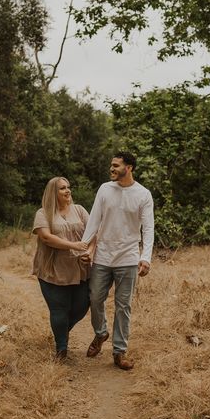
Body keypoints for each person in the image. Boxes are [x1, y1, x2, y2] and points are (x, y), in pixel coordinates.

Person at [80, 150, 154, 371]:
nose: (111, 169)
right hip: (103, 256)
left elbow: (148, 228)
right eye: (111, 165)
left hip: (128, 258)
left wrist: (145, 257)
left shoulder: (143, 194)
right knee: (94, 298)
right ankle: (101, 333)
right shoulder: (105, 189)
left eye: (116, 165)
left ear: (129, 168)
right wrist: (85, 248)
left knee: (124, 306)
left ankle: (119, 351)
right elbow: (94, 220)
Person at [32, 177, 92, 361]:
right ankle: (61, 349)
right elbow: (47, 238)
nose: (68, 191)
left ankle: (61, 332)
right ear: (53, 193)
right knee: (59, 309)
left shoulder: (79, 210)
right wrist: (75, 246)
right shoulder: (43, 213)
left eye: (68, 187)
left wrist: (89, 251)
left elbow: (93, 233)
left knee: (82, 306)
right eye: (62, 188)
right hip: (53, 270)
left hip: (79, 269)